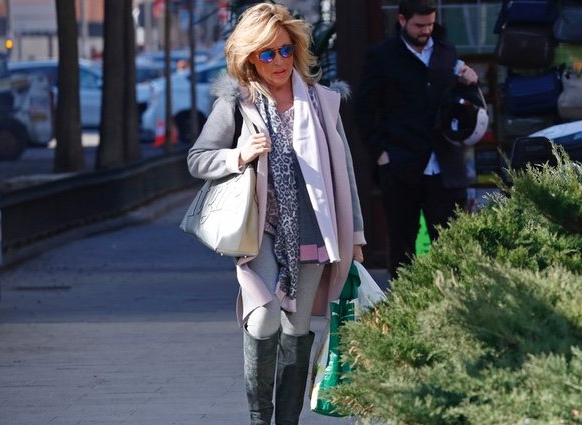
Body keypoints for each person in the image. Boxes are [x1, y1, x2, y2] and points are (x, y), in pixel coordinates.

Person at [187, 4, 366, 424]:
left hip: (313, 229)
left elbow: (348, 176)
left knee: (297, 329)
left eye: (285, 51)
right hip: (260, 232)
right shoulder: (238, 102)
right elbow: (198, 159)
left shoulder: (324, 103)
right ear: (249, 57)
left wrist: (355, 237)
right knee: (266, 316)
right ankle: (258, 416)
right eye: (266, 54)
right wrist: (238, 155)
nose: (279, 62)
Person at [355, 0, 479, 279]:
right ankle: (404, 305)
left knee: (450, 243)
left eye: (430, 24)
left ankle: (450, 304)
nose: (426, 31)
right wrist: (380, 153)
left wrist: (470, 81)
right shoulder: (383, 56)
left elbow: (458, 102)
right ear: (402, 20)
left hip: (445, 164)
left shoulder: (446, 51)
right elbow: (363, 110)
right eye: (419, 25)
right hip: (401, 164)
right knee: (402, 246)